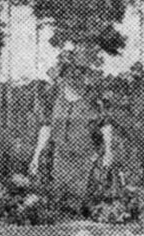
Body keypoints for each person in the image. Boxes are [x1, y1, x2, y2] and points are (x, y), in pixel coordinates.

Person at [29, 54, 114, 216]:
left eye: (78, 74)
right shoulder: (54, 98)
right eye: (68, 74)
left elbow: (106, 126)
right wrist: (36, 155)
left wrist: (109, 152)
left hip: (87, 160)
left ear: (83, 76)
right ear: (62, 77)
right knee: (59, 204)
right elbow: (46, 127)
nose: (73, 78)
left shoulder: (93, 98)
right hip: (60, 159)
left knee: (84, 206)